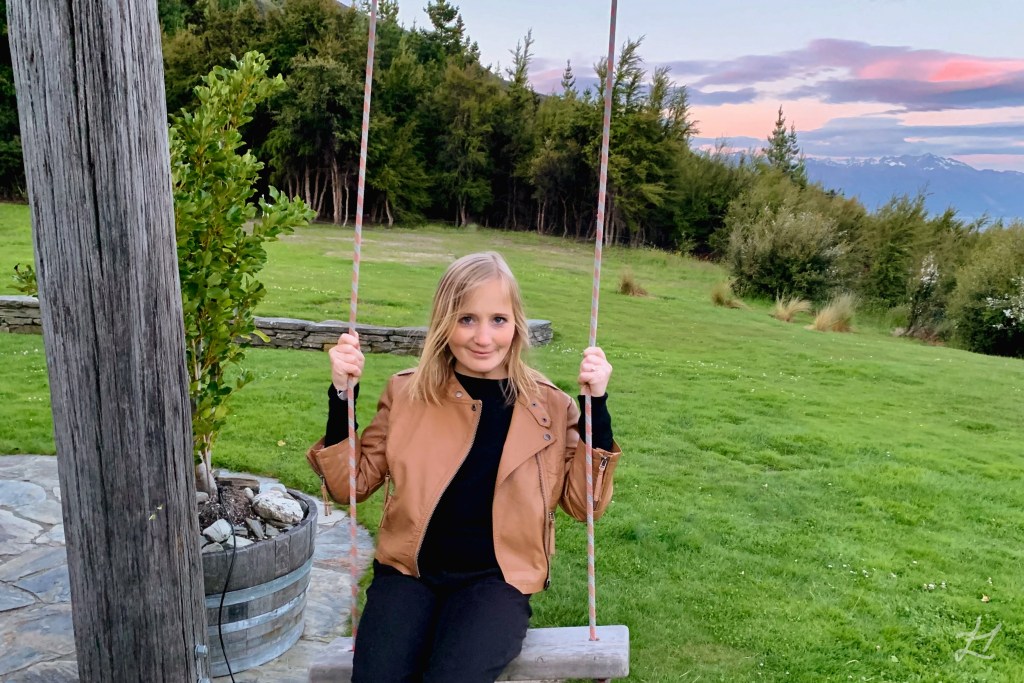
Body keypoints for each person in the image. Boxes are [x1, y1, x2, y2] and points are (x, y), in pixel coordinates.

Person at [306, 251, 622, 683]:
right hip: (408, 574)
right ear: (444, 323)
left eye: (498, 319)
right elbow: (351, 486)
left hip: (496, 583)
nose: (483, 337)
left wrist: (596, 408)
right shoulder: (408, 393)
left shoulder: (549, 406)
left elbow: (584, 505)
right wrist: (342, 396)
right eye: (466, 319)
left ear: (517, 324)